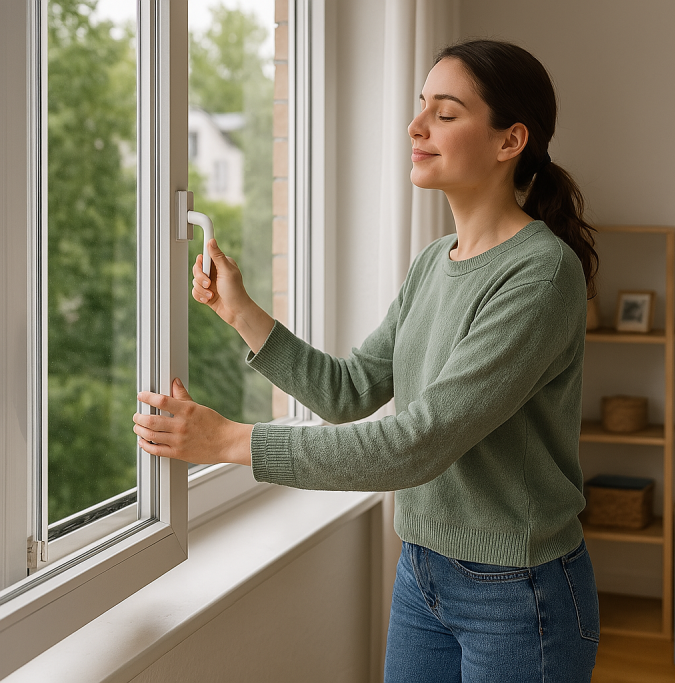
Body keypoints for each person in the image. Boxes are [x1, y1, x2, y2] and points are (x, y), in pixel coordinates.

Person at [133, 39, 600, 682]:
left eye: (445, 112)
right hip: (422, 569)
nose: (416, 127)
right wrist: (239, 309)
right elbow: (349, 391)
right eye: (420, 107)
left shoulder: (541, 276)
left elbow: (416, 445)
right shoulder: (434, 262)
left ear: (509, 140)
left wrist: (231, 441)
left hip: (518, 594)